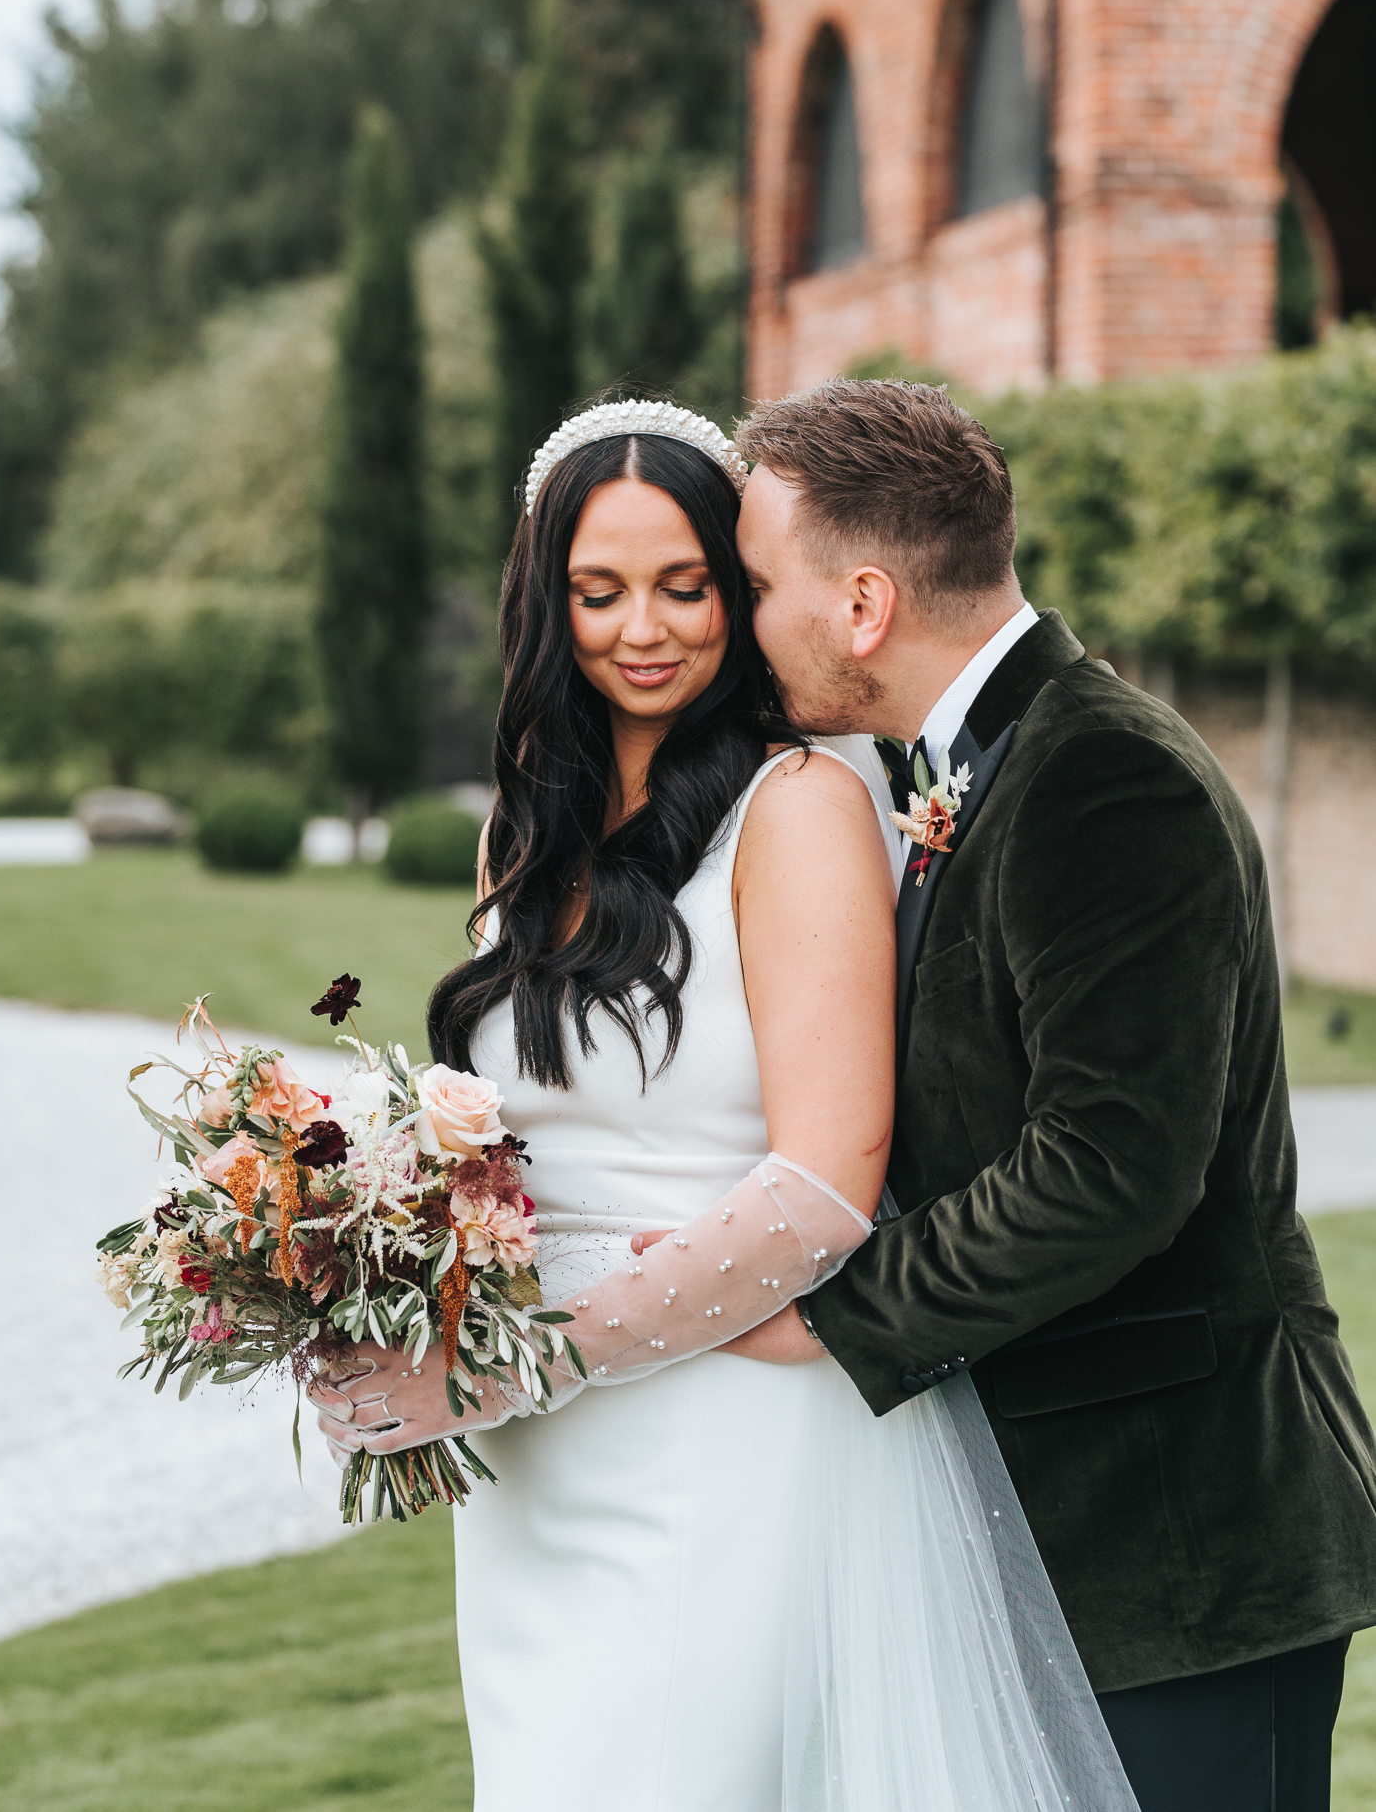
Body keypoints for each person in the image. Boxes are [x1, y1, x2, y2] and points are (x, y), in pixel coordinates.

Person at [311, 395, 1141, 1812]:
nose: (648, 626)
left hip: (724, 1439)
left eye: (689, 585)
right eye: (601, 589)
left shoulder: (801, 805)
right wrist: (360, 1275)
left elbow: (826, 1186)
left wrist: (519, 1361)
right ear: (544, 604)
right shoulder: (524, 830)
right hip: (536, 1479)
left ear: (739, 590)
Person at [729, 375, 1376, 1812]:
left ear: (865, 604)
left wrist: (833, 1314)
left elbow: (1111, 1169)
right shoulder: (967, 768)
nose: (739, 616)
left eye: (760, 579)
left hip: (1190, 1543)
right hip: (1063, 1538)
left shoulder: (1105, 781)